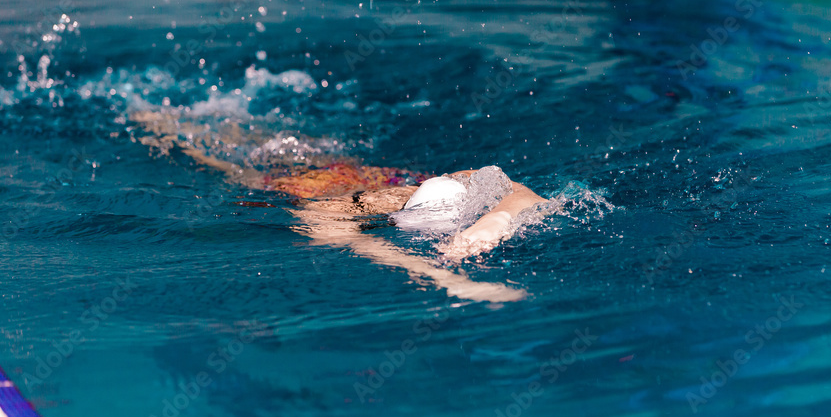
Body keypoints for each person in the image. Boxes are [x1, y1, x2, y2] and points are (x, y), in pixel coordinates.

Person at [130, 109, 549, 302]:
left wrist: (494, 220)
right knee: (215, 158)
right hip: (282, 181)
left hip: (357, 173)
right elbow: (371, 248)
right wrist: (447, 281)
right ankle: (156, 123)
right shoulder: (323, 214)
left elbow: (525, 193)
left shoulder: (444, 185)